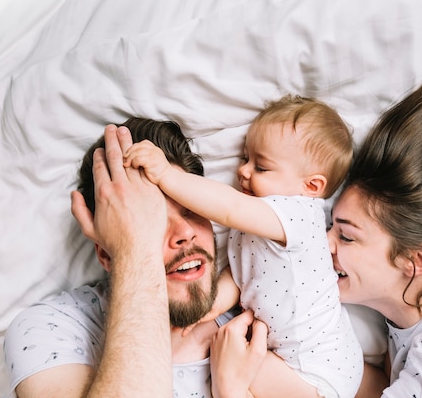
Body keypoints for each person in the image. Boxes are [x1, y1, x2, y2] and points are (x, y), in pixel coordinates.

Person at [212, 62, 422, 398]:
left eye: (345, 235)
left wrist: (231, 387)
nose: (322, 243)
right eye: (330, 227)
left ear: (416, 260)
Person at [126, 94, 364, 398]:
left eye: (261, 167)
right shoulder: (256, 226)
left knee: (233, 363)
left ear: (312, 187)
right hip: (294, 360)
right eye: (244, 158)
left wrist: (166, 175)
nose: (244, 171)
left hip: (318, 368)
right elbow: (240, 279)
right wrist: (209, 309)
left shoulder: (300, 215)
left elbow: (228, 207)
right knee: (234, 357)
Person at [3, 117, 227, 398]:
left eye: (190, 209)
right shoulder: (49, 328)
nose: (185, 233)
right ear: (107, 254)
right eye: (152, 220)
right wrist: (134, 249)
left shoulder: (264, 312)